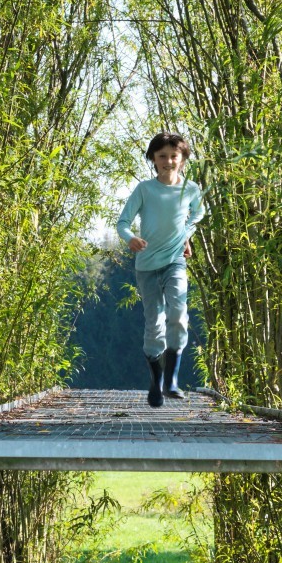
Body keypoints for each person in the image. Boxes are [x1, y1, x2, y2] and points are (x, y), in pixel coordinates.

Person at [115, 132, 205, 408]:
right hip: (147, 266)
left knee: (178, 315)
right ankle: (156, 382)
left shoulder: (191, 189)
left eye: (173, 156)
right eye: (162, 156)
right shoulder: (145, 189)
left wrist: (186, 236)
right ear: (153, 159)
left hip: (175, 261)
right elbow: (123, 222)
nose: (168, 161)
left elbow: (198, 214)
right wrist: (130, 238)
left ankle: (172, 380)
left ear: (183, 159)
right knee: (154, 324)